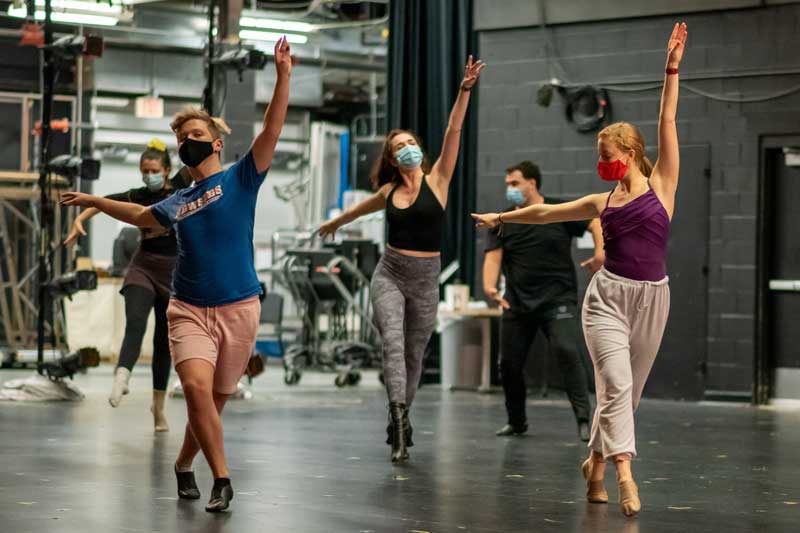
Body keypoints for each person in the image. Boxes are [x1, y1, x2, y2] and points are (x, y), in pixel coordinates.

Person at [62, 36, 293, 513]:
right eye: (180, 138)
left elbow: (272, 127)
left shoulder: (243, 177)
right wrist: (94, 202)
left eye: (193, 136)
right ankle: (223, 480)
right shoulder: (177, 202)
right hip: (188, 307)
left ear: (216, 141)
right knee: (193, 390)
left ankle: (184, 463)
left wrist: (283, 74)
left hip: (239, 309)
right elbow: (138, 215)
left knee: (213, 403)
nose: (186, 143)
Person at [473, 23, 687, 517]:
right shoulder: (600, 201)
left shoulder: (664, 187)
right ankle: (625, 474)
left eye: (607, 157)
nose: (602, 164)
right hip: (606, 298)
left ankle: (593, 462)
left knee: (624, 398)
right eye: (598, 157)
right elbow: (546, 212)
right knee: (615, 386)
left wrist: (671, 68)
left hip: (654, 297)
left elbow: (668, 120)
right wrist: (502, 217)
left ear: (630, 155)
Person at [319, 55, 485, 463]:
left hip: (425, 279)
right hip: (390, 274)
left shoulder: (439, 180)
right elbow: (359, 210)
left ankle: (403, 415)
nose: (408, 149)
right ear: (392, 159)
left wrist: (464, 91)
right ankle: (397, 423)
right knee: (392, 347)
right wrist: (333, 224)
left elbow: (453, 130)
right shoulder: (389, 192)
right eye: (399, 147)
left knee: (414, 355)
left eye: (411, 143)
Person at [65, 140, 185, 433]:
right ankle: (122, 376)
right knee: (134, 323)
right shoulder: (138, 195)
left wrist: (210, 127)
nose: (148, 175)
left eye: (154, 170)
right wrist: (80, 218)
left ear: (167, 171)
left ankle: (157, 408)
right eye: (144, 170)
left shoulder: (181, 188)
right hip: (143, 267)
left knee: (162, 342)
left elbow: (200, 161)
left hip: (172, 273)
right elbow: (101, 202)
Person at [482, 160, 603, 441]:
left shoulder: (556, 211)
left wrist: (601, 253)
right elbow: (493, 256)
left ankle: (584, 420)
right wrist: (489, 287)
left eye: (515, 183)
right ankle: (517, 421)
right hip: (518, 302)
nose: (509, 189)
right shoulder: (503, 221)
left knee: (567, 351)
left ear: (532, 183)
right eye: (507, 184)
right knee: (508, 365)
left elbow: (594, 221)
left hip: (557, 299)